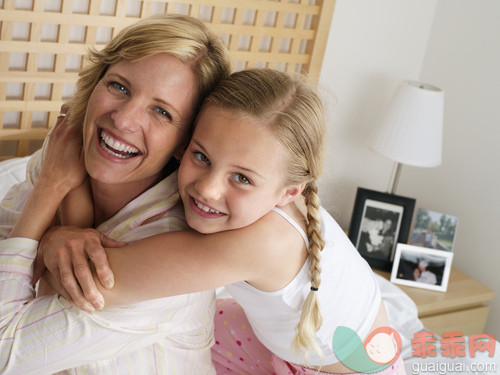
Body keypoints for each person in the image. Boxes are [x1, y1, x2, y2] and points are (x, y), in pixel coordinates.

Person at [38, 68, 406, 374]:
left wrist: (65, 191)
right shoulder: (244, 198)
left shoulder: (260, 242)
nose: (207, 190)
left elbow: (88, 285)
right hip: (289, 345)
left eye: (242, 178)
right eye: (201, 156)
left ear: (289, 192)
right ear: (184, 143)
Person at [0, 14, 230, 374]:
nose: (123, 120)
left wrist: (49, 194)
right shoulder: (62, 154)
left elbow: (3, 352)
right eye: (119, 87)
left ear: (183, 143)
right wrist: (51, 208)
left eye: (161, 111)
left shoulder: (169, 252)